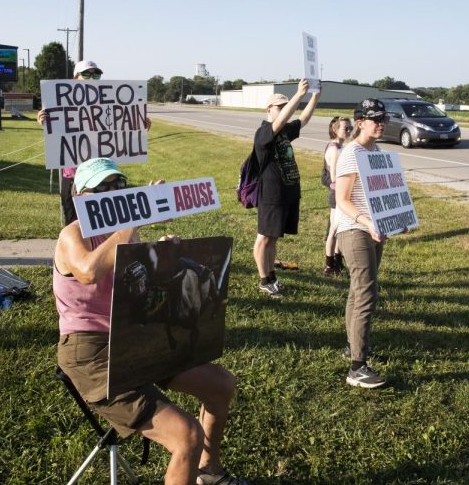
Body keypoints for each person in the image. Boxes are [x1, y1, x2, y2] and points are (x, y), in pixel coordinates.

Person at [54, 157, 249, 485]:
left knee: (220, 385)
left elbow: (143, 287)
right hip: (90, 350)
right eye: (102, 188)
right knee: (186, 435)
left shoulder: (124, 238)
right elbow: (88, 271)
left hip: (132, 337)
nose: (113, 193)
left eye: (118, 186)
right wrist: (131, 221)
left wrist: (162, 257)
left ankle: (209, 471)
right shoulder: (73, 234)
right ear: (81, 197)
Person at [38, 59, 152, 226]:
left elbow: (121, 123)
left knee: (100, 220)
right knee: (73, 220)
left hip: (99, 175)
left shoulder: (108, 101)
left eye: (96, 74)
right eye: (86, 74)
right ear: (75, 77)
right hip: (72, 173)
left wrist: (138, 122)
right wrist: (44, 120)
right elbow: (57, 129)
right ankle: (75, 250)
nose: (92, 77)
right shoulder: (61, 102)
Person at [335, 98, 389, 389]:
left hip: (374, 229)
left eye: (384, 119)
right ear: (360, 122)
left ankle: (352, 347)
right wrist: (367, 222)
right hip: (355, 229)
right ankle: (357, 367)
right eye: (375, 119)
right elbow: (342, 200)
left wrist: (388, 220)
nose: (381, 123)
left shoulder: (376, 151)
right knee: (367, 293)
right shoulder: (351, 154)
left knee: (358, 292)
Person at [252, 78, 320, 296]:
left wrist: (315, 96)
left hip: (287, 192)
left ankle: (271, 276)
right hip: (271, 194)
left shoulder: (283, 132)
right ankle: (264, 280)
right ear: (269, 109)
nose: (283, 111)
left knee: (273, 238)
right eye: (279, 108)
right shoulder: (263, 133)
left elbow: (303, 119)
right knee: (264, 237)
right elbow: (282, 121)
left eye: (285, 106)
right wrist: (298, 95)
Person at [322, 116, 352, 277]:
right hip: (337, 193)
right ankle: (329, 265)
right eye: (345, 128)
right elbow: (334, 177)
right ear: (335, 130)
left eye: (350, 128)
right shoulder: (334, 149)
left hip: (342, 192)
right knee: (334, 229)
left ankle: (337, 261)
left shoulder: (341, 147)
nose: (348, 131)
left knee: (339, 228)